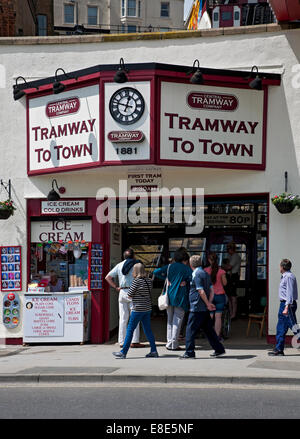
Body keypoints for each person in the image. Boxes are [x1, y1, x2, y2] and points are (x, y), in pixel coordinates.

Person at [180, 255, 226, 359]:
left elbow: (200, 291)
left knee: (190, 330)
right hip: (204, 308)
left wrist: (207, 303)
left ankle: (189, 352)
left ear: (190, 264)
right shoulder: (205, 273)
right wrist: (209, 302)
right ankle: (219, 349)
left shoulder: (196, 274)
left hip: (196, 307)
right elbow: (212, 290)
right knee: (209, 330)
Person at [113, 263, 158, 359]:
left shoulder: (136, 281)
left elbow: (129, 294)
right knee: (148, 330)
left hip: (137, 309)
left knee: (130, 330)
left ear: (135, 271)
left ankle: (123, 352)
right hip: (147, 308)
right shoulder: (148, 281)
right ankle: (154, 350)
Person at [105, 248, 144, 348]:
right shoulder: (136, 265)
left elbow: (107, 277)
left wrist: (115, 287)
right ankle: (134, 341)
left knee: (123, 318)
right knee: (134, 317)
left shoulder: (119, 265)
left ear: (124, 257)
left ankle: (121, 341)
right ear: (133, 256)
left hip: (122, 292)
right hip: (134, 292)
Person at [153, 249, 192, 350]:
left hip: (169, 295)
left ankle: (169, 342)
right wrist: (185, 282)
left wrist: (166, 278)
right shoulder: (186, 268)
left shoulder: (170, 266)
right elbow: (192, 279)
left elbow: (156, 272)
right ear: (184, 259)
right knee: (177, 320)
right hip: (180, 297)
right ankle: (174, 344)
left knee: (169, 320)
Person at [268, 259, 298, 356]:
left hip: (287, 304)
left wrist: (286, 307)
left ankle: (279, 348)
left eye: (280, 266)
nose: (279, 267)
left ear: (282, 267)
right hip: (284, 304)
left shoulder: (288, 277)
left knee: (294, 327)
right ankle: (279, 349)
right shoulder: (285, 276)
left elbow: (289, 293)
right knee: (281, 327)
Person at [205, 252, 227, 339]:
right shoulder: (221, 271)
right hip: (220, 296)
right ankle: (217, 335)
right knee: (218, 317)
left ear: (209, 260)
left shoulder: (205, 270)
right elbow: (225, 283)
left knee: (210, 316)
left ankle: (209, 335)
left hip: (210, 296)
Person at [223, 242, 241, 319]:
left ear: (231, 249)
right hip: (229, 276)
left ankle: (233, 314)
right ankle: (231, 313)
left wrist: (223, 267)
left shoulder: (235, 256)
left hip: (233, 276)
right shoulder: (230, 256)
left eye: (228, 249)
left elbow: (229, 267)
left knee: (233, 296)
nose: (227, 251)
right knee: (229, 295)